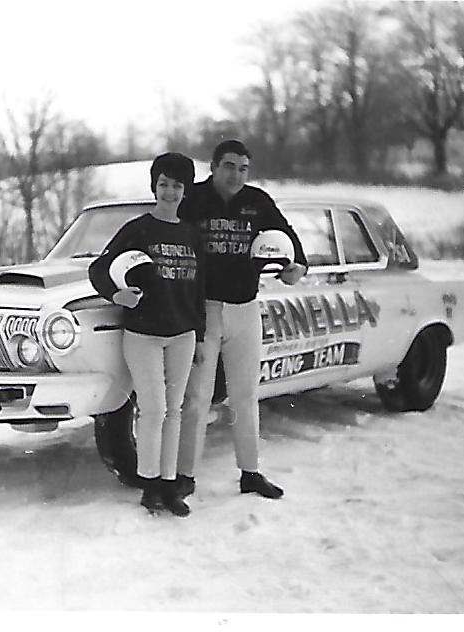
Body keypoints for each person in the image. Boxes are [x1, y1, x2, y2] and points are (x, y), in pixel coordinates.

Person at [176, 139, 307, 500]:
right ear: (214, 167)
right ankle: (184, 474)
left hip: (245, 307)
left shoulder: (258, 202)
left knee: (246, 393)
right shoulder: (194, 200)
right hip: (203, 308)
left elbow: (290, 242)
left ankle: (250, 471)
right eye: (230, 166)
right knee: (197, 395)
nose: (236, 174)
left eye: (244, 168)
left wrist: (297, 266)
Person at [88, 152, 206, 517]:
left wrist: (199, 335)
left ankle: (170, 485)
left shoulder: (190, 233)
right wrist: (116, 294)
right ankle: (150, 485)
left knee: (174, 410)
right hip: (143, 333)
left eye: (176, 185)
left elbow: (198, 289)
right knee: (153, 409)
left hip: (182, 334)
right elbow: (99, 269)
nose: (169, 192)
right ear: (154, 187)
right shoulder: (138, 229)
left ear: (186, 191)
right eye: (163, 184)